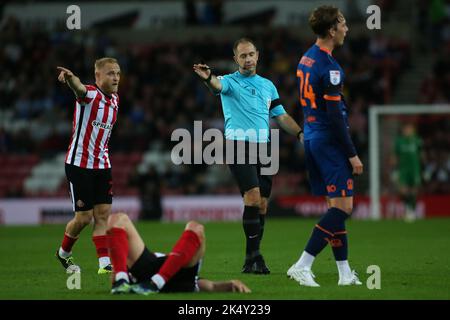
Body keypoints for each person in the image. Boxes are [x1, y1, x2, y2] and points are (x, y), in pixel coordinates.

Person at [193, 38, 303, 274]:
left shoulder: (268, 86)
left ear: (257, 55)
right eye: (242, 56)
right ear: (236, 59)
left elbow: (281, 116)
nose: (247, 59)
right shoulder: (230, 81)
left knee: (262, 205)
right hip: (238, 146)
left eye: (250, 54)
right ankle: (255, 257)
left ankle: (251, 258)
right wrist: (208, 79)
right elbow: (216, 86)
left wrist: (300, 133)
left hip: (265, 148)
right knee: (252, 197)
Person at [287, 5, 363, 287]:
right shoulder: (331, 68)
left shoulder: (306, 58)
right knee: (343, 207)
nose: (347, 28)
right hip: (329, 141)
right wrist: (352, 154)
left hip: (311, 137)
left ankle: (344, 273)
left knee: (334, 206)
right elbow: (335, 118)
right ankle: (303, 264)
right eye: (343, 23)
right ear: (332, 30)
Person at [55, 58, 121, 274]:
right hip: (79, 164)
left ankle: (104, 263)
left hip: (102, 165)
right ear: (98, 76)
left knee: (103, 214)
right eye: (110, 73)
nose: (116, 77)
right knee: (83, 218)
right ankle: (63, 253)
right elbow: (79, 89)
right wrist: (71, 79)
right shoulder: (90, 95)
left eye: (118, 73)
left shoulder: (115, 100)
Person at [107, 212, 251, 294]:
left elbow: (209, 286)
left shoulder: (187, 280)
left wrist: (229, 284)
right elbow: (207, 286)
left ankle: (145, 282)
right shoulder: (187, 280)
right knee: (196, 227)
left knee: (118, 219)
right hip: (171, 273)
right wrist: (228, 284)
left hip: (154, 272)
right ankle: (123, 282)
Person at [393, 123, 423, 222]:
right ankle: (408, 208)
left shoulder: (417, 140)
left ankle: (412, 211)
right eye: (406, 129)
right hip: (403, 170)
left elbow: (422, 155)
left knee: (414, 190)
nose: (407, 131)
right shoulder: (399, 142)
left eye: (409, 129)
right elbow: (394, 157)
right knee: (403, 191)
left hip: (415, 169)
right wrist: (394, 170)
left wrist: (425, 170)